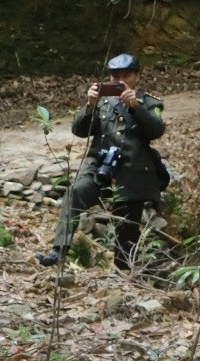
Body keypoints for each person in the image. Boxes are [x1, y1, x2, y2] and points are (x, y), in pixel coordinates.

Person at [36, 54, 167, 269]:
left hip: (132, 172)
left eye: (126, 75)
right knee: (75, 192)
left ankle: (125, 274)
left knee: (127, 232)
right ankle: (58, 251)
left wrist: (136, 107)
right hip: (99, 166)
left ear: (137, 76)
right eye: (115, 76)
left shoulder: (150, 103)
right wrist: (89, 105)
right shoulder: (101, 101)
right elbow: (79, 130)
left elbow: (156, 130)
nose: (120, 80)